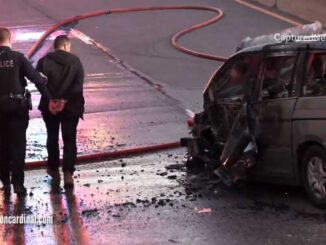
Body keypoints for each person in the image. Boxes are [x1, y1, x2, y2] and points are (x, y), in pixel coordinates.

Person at [0, 27, 51, 195]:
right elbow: (37, 80)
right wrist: (50, 99)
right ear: (9, 40)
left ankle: (4, 181)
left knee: (2, 145)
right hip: (17, 106)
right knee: (18, 145)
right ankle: (18, 185)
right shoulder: (18, 58)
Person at [36, 35, 84, 188]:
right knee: (69, 139)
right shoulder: (75, 61)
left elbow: (39, 82)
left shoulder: (43, 61)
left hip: (49, 107)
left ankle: (53, 169)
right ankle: (68, 173)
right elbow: (78, 86)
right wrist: (64, 100)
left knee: (52, 137)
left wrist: (51, 99)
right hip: (71, 107)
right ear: (65, 46)